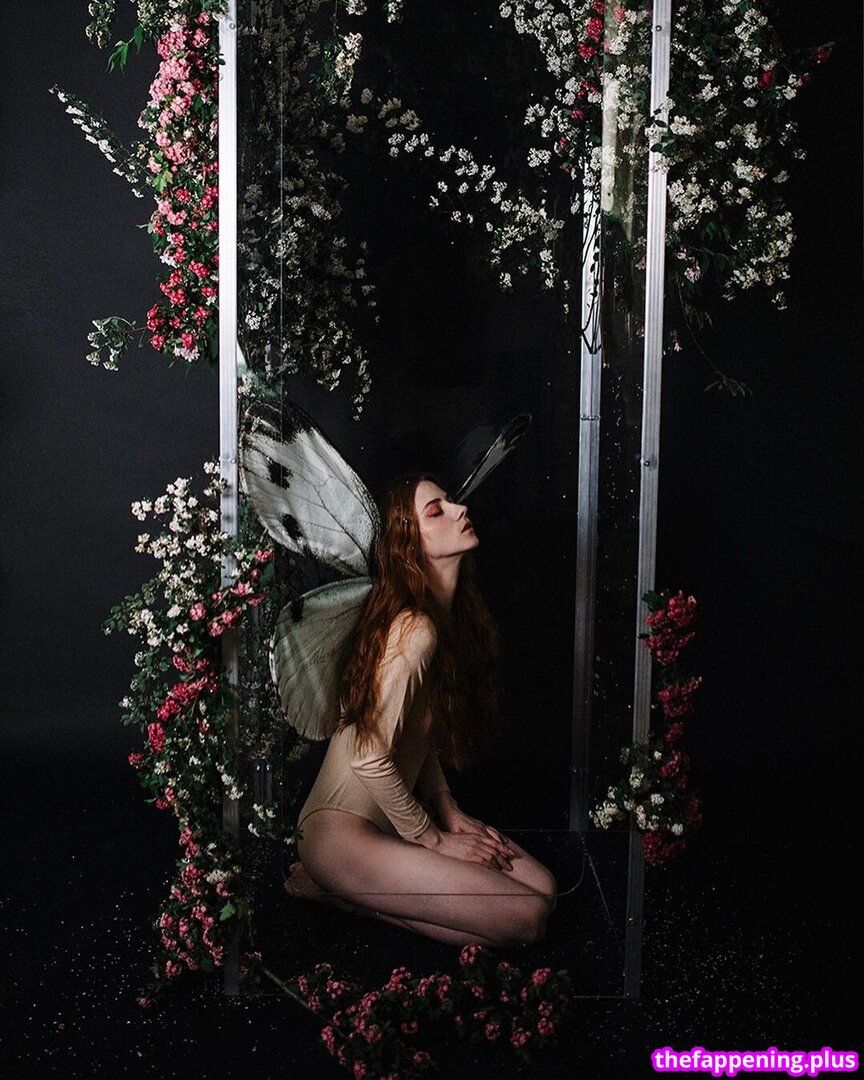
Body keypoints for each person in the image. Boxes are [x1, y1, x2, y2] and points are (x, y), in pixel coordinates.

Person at [284, 474, 558, 947]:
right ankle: (342, 892)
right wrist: (434, 839)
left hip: (391, 823)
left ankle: (359, 887)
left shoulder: (439, 623)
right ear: (409, 545)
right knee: (527, 917)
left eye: (451, 502)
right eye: (437, 511)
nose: (459, 510)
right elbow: (368, 756)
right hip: (339, 837)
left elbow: (413, 738)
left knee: (546, 889)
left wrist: (447, 808)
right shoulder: (415, 631)